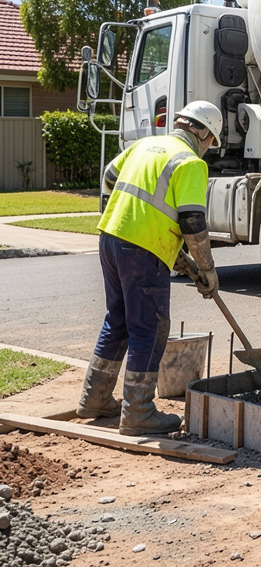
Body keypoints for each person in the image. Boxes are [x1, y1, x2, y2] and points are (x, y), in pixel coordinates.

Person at [77, 101, 224, 435]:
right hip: (142, 250)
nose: (208, 149)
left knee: (119, 319)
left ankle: (94, 398)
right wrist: (208, 268)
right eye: (210, 141)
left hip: (111, 236)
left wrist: (179, 258)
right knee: (150, 326)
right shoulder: (189, 162)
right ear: (200, 131)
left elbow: (109, 177)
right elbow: (192, 222)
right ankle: (138, 412)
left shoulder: (143, 146)